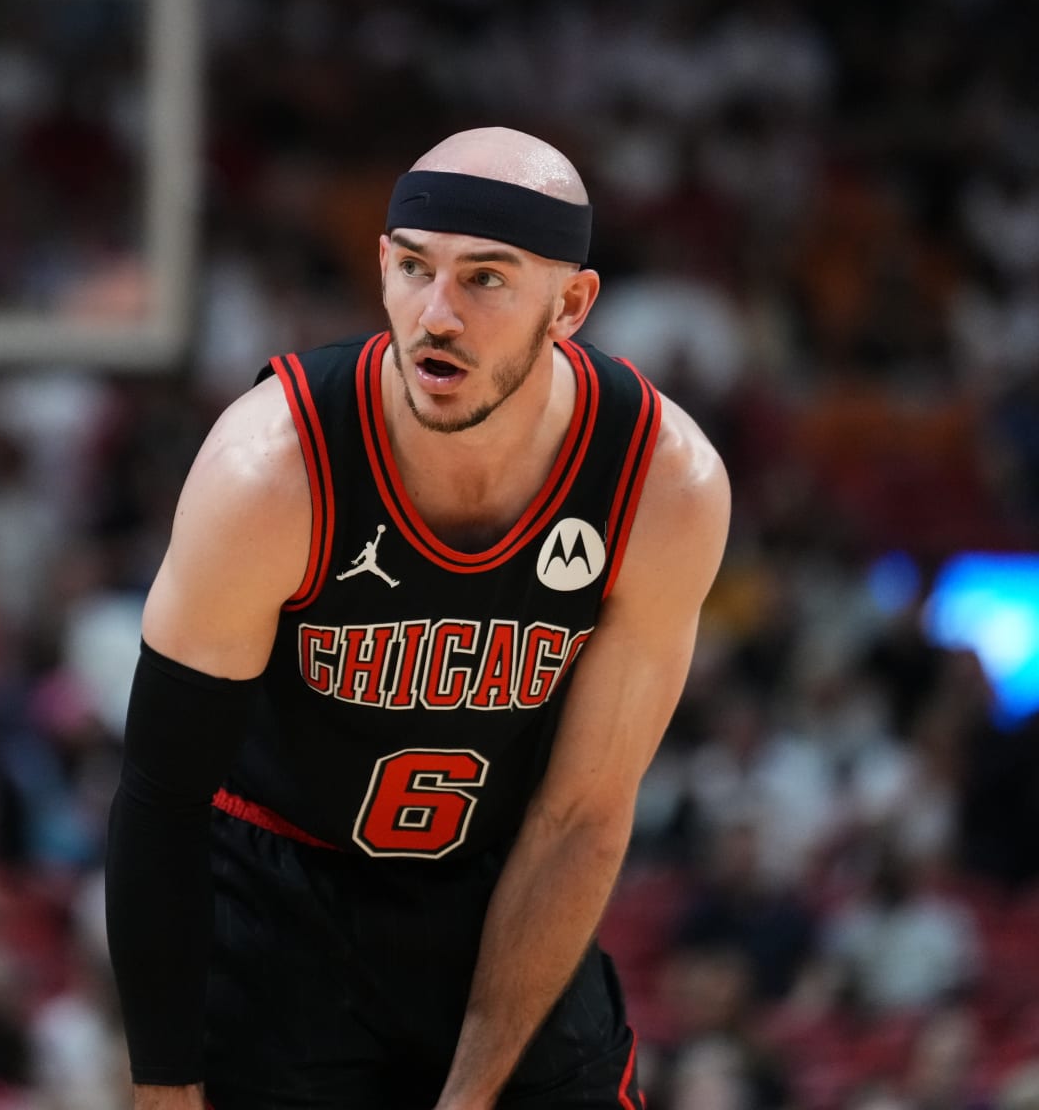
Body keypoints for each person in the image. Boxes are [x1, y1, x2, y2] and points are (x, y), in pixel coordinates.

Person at [105, 127, 730, 1109]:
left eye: (487, 280)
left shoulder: (660, 484)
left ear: (570, 304)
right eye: (413, 269)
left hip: (504, 889)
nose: (437, 315)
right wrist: (163, 1085)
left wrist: (471, 1094)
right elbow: (161, 794)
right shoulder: (272, 469)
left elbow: (580, 818)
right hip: (278, 897)